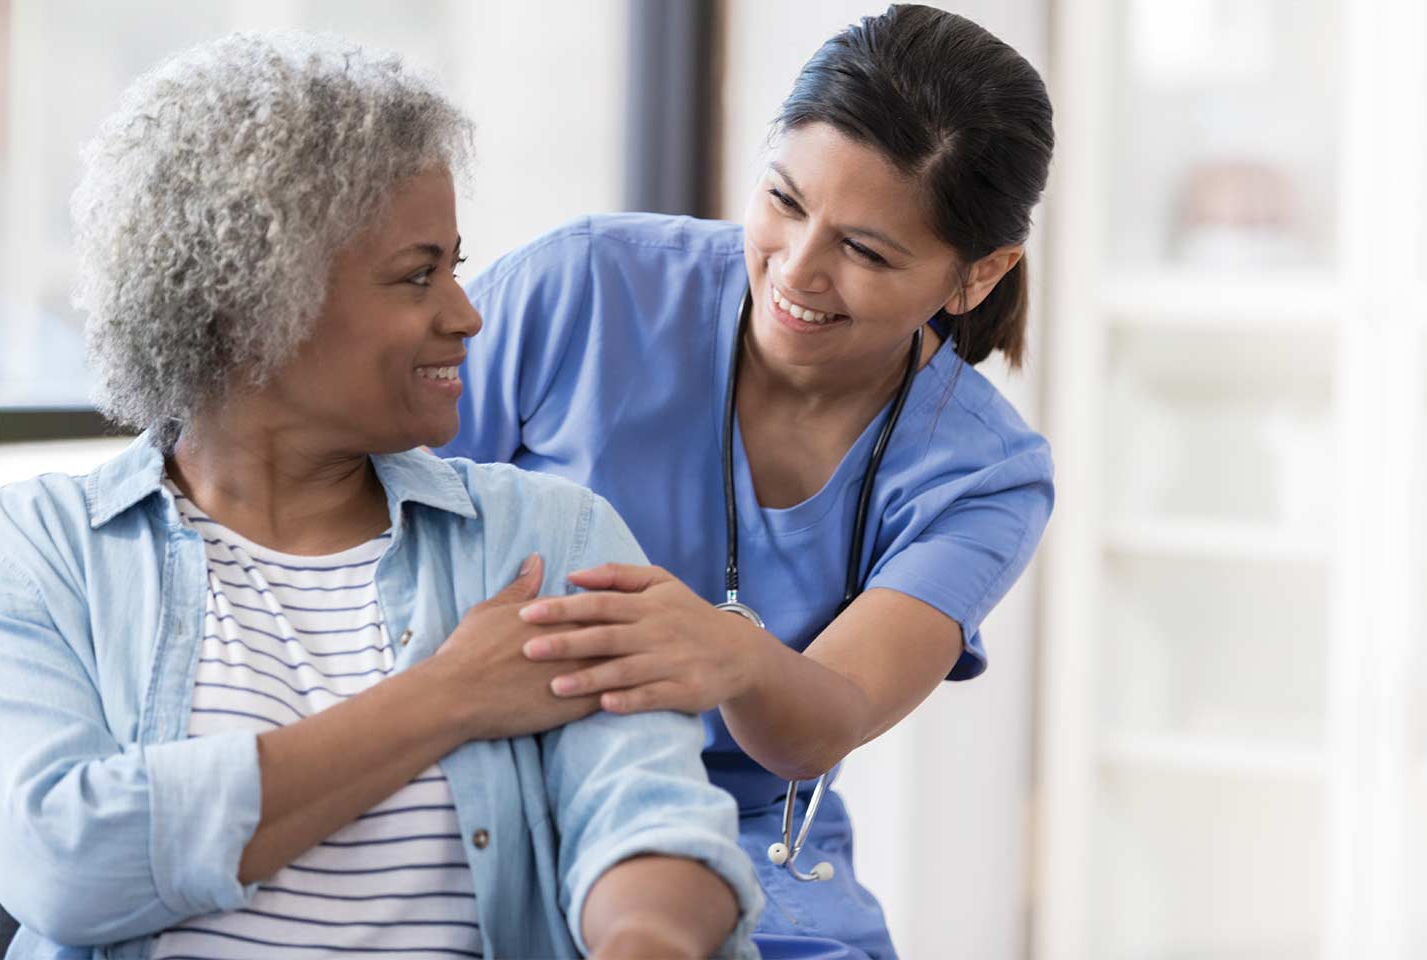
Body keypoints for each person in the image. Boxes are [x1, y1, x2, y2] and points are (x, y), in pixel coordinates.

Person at [0, 33, 761, 960]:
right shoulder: (43, 550)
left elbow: (648, 816)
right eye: (417, 275)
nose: (467, 315)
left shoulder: (545, 536)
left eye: (456, 266)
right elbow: (62, 863)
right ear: (253, 310)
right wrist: (448, 696)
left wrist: (647, 940)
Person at [436, 5, 1055, 957]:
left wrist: (736, 657)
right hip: (485, 773)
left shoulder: (985, 475)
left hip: (748, 838)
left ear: (978, 275)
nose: (797, 271)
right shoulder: (590, 285)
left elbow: (821, 726)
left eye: (865, 251)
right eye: (785, 202)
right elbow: (365, 498)